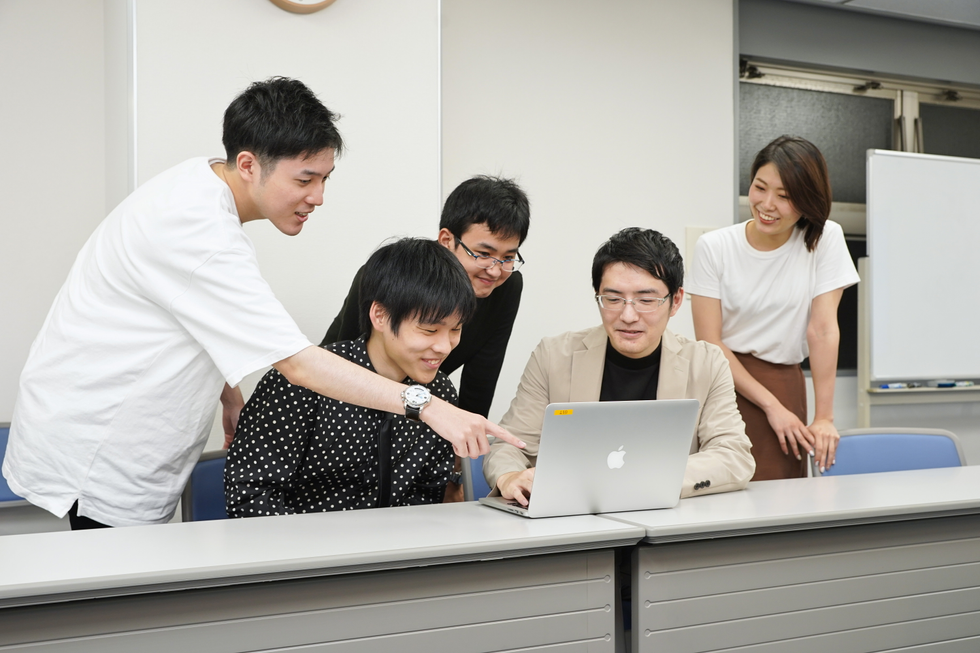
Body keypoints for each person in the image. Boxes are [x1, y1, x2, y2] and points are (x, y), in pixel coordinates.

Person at [3, 77, 522, 530]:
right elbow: (297, 364)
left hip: (113, 434)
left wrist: (228, 390)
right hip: (102, 444)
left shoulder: (201, 185)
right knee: (114, 596)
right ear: (249, 164)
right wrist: (425, 404)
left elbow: (191, 312)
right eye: (304, 179)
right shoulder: (198, 230)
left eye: (324, 179)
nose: (318, 196)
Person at [484, 228, 755, 506]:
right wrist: (509, 476)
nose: (628, 315)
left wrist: (638, 480)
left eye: (646, 300)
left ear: (675, 301)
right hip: (571, 517)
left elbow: (733, 455)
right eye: (613, 299)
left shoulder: (706, 364)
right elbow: (509, 445)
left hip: (668, 518)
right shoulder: (554, 356)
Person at [225, 238, 475, 516]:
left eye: (456, 329)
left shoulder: (439, 391)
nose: (445, 346)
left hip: (398, 542)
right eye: (430, 330)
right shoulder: (300, 384)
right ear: (380, 315)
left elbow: (427, 496)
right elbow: (249, 499)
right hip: (302, 541)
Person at [322, 175, 529, 499]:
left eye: (507, 257)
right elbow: (343, 360)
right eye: (483, 253)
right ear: (447, 240)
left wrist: (462, 460)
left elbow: (481, 380)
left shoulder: (506, 288)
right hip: (350, 402)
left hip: (424, 404)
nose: (495, 269)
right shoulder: (394, 281)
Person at [688, 135, 860, 479]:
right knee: (716, 487)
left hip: (785, 381)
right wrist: (771, 405)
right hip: (724, 381)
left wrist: (824, 417)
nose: (767, 204)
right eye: (760, 187)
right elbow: (710, 343)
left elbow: (822, 329)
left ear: (808, 199)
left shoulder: (824, 238)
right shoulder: (714, 246)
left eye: (784, 196)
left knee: (784, 495)